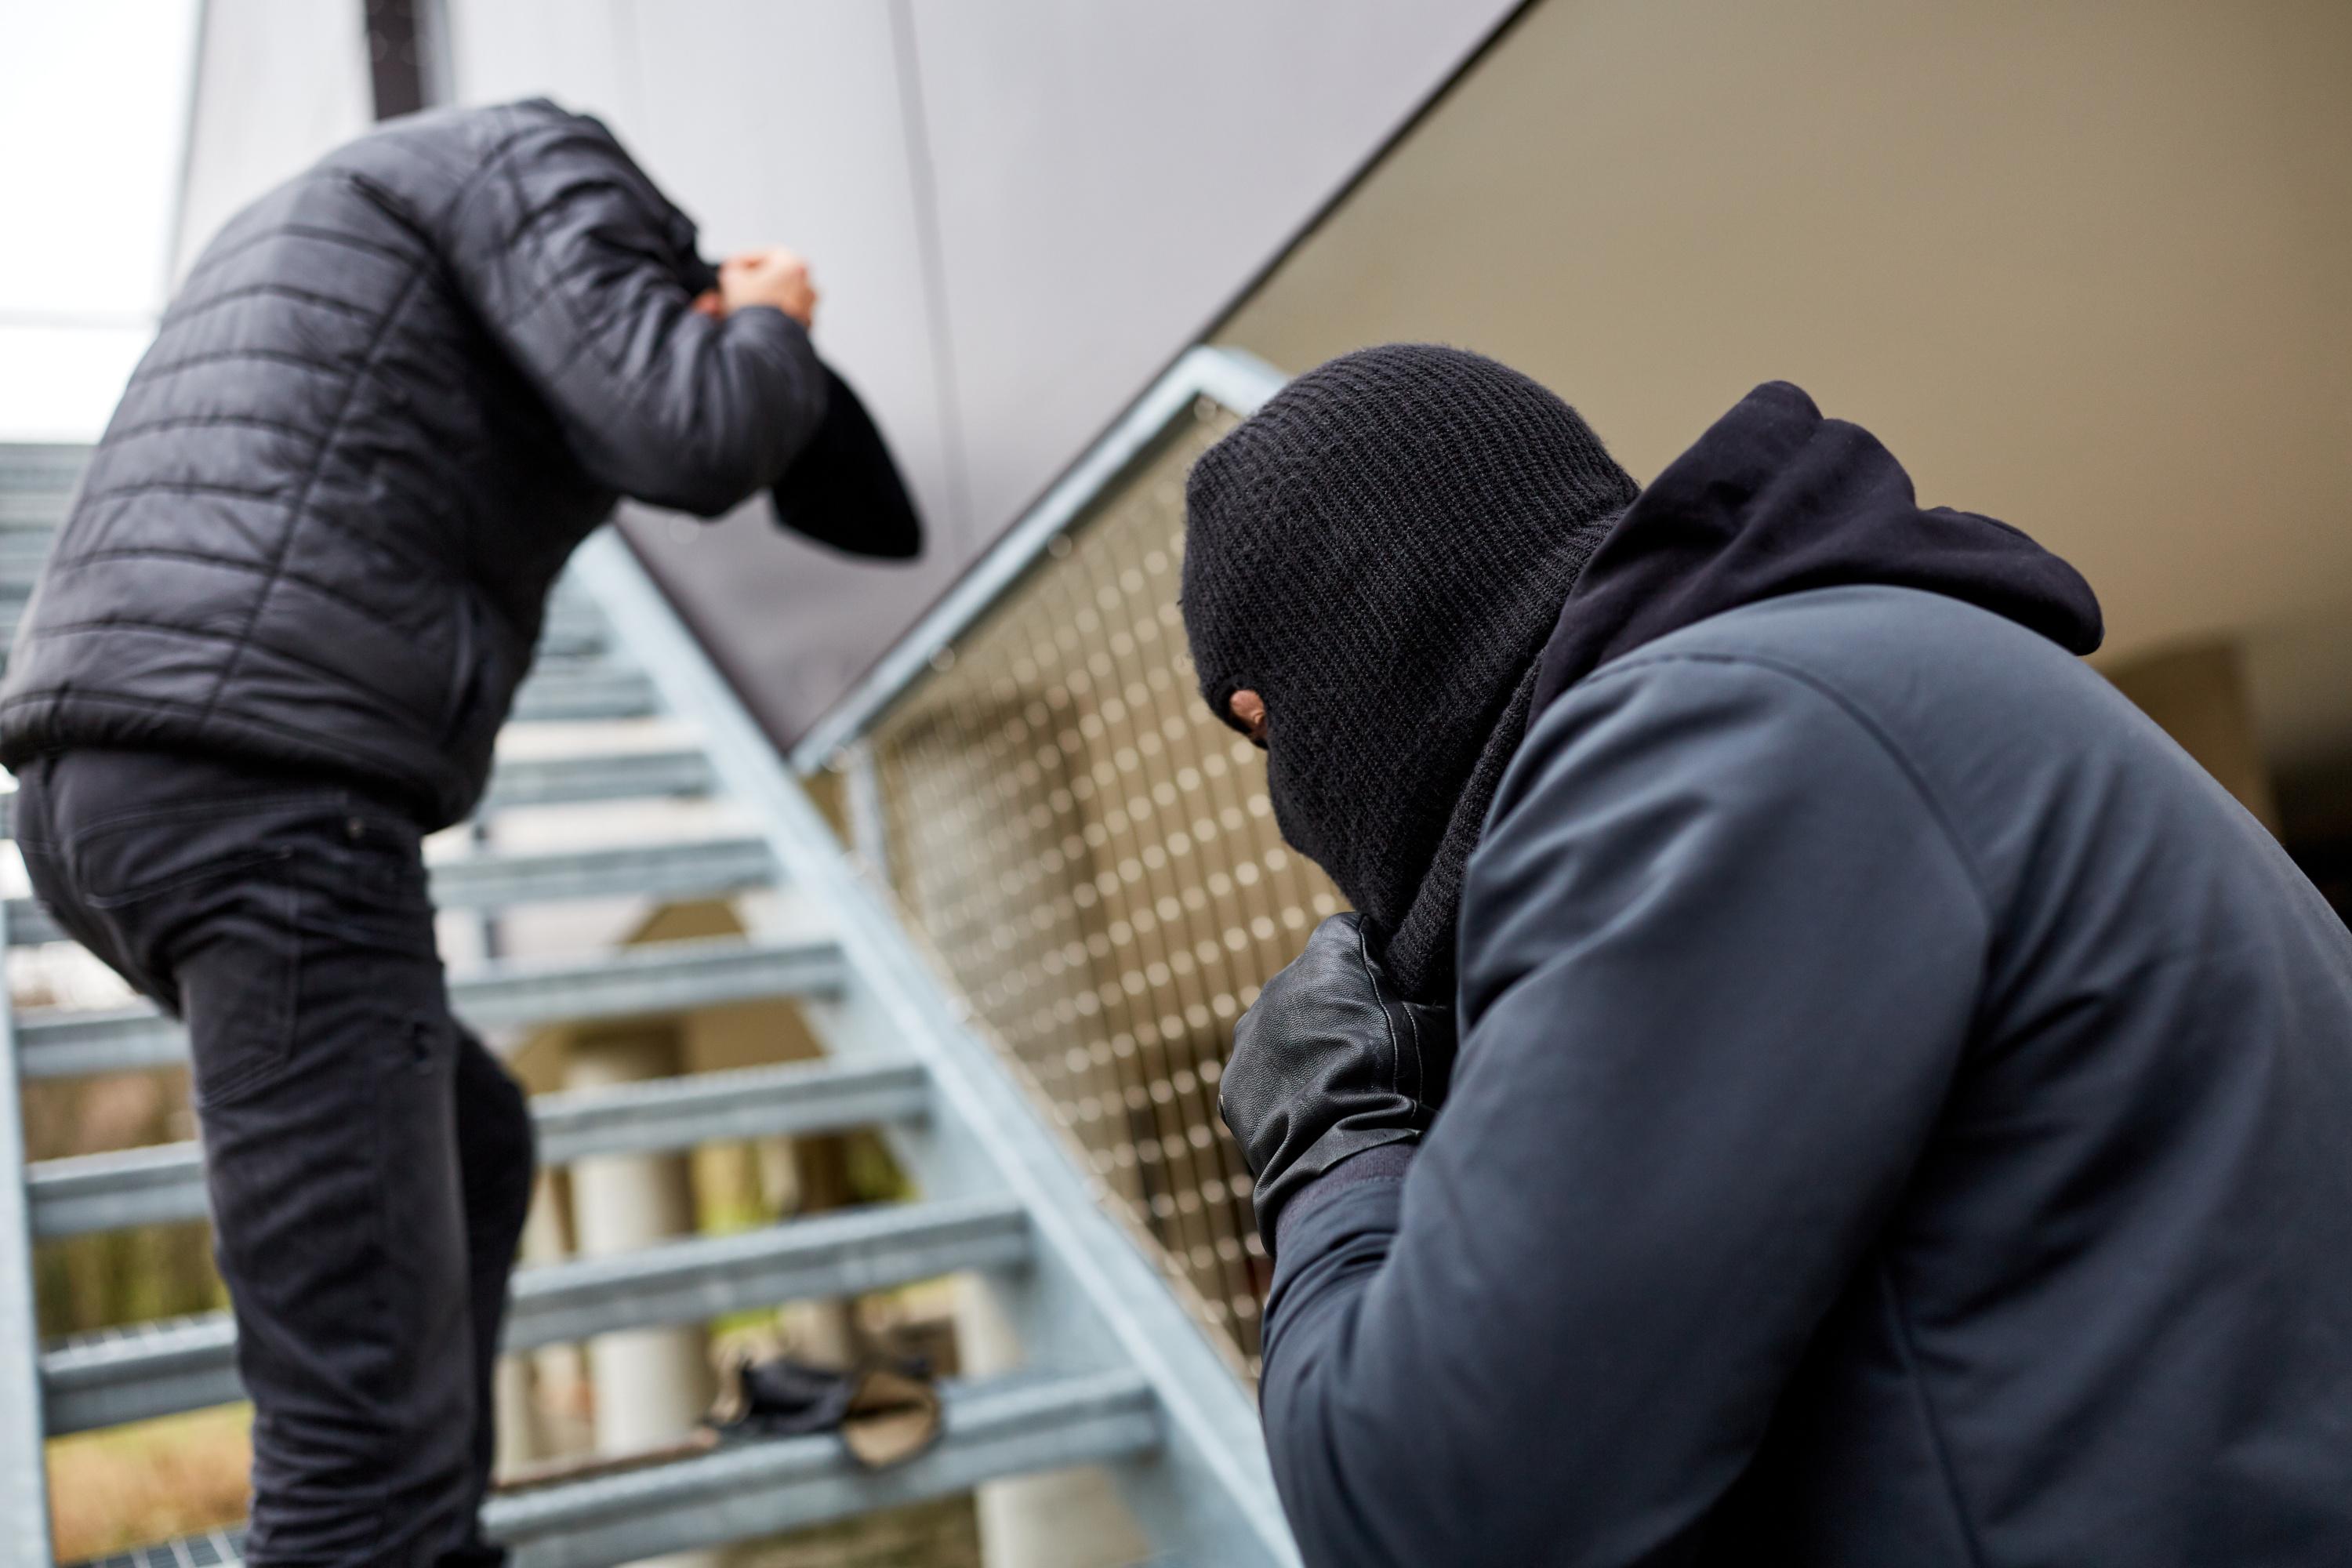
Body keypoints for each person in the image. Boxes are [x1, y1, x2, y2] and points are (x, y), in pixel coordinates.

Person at [1181, 344, 2352, 1566]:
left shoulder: (1703, 759)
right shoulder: (1849, 685)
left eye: (1265, 731)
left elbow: (1433, 1515)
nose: (1287, 806)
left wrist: (1335, 1139)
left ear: (1376, 625)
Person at [0, 99, 896, 1565]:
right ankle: (399, 1529)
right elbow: (691, 425)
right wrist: (773, 320)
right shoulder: (555, 166)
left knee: (476, 1140)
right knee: (357, 1462)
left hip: (111, 795)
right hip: (266, 804)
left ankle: (428, 1522)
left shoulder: (386, 214)